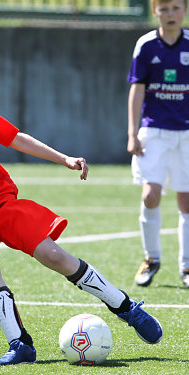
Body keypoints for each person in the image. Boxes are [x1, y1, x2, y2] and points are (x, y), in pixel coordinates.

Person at [0, 36, 164, 368]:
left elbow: (17, 138)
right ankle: (20, 344)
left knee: (53, 254)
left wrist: (64, 159)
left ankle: (125, 306)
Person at [127, 0, 189, 288]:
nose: (170, 14)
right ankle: (152, 258)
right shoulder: (146, 45)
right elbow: (137, 89)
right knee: (150, 195)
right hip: (154, 132)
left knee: (186, 201)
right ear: (155, 11)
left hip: (186, 134)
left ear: (185, 10)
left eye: (176, 8)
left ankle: (187, 266)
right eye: (164, 9)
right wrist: (132, 132)